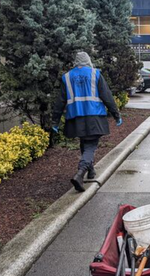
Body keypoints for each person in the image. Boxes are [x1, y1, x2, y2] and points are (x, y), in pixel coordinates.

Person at [52, 52, 122, 192]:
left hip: (75, 117)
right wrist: (116, 114)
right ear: (88, 60)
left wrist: (55, 121)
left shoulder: (67, 77)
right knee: (90, 145)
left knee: (84, 142)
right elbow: (107, 96)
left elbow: (60, 101)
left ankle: (91, 171)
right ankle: (80, 172)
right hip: (94, 116)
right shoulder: (94, 74)